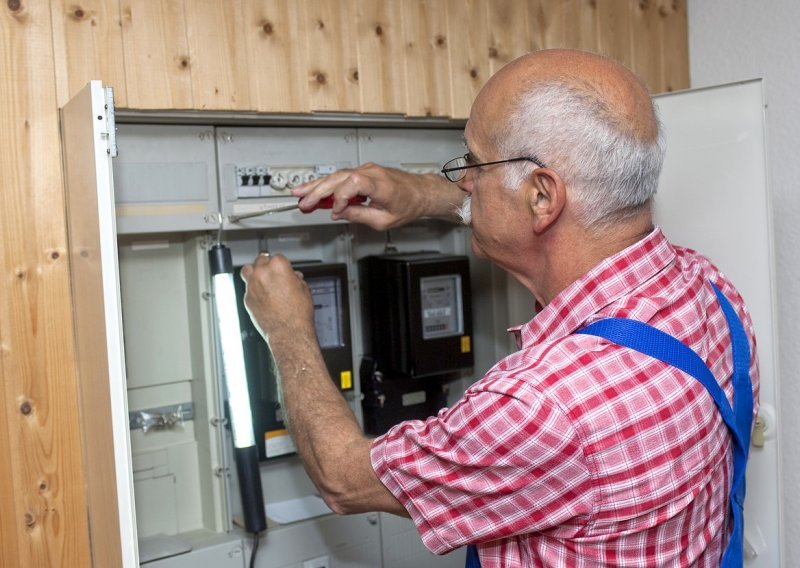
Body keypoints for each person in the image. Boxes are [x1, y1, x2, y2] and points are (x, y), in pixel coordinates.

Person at [240, 49, 759, 567]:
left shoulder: (541, 408)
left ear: (541, 196)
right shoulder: (710, 294)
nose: (463, 179)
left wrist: (286, 328)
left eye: (473, 162)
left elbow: (343, 479)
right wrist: (421, 195)